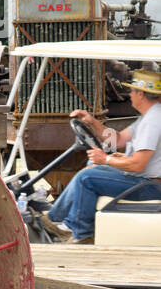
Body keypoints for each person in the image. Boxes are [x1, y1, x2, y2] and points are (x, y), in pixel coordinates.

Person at [39, 69, 161, 245]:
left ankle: (79, 233)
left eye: (132, 91)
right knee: (92, 167)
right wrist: (91, 121)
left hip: (149, 186)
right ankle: (55, 221)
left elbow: (137, 165)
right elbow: (118, 140)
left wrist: (106, 159)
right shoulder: (149, 117)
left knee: (86, 178)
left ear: (140, 94)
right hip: (143, 180)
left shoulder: (153, 121)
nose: (130, 95)